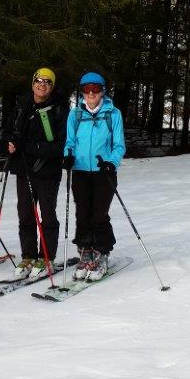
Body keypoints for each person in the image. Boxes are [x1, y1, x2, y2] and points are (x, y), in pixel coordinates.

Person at [2, 68, 69, 279]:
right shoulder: (22, 106)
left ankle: (46, 256)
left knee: (47, 214)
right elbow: (6, 132)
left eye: (48, 82)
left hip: (47, 170)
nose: (43, 85)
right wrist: (9, 143)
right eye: (39, 81)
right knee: (26, 213)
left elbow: (60, 146)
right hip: (23, 169)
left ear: (52, 86)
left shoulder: (59, 109)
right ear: (33, 83)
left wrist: (28, 146)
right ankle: (28, 255)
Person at [62, 71, 126, 281]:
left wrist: (111, 162)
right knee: (82, 213)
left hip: (103, 172)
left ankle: (101, 252)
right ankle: (85, 251)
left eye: (95, 89)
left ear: (102, 91)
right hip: (80, 171)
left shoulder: (113, 114)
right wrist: (68, 156)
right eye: (87, 89)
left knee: (98, 214)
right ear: (82, 92)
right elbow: (70, 142)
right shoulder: (75, 114)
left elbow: (119, 145)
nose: (91, 93)